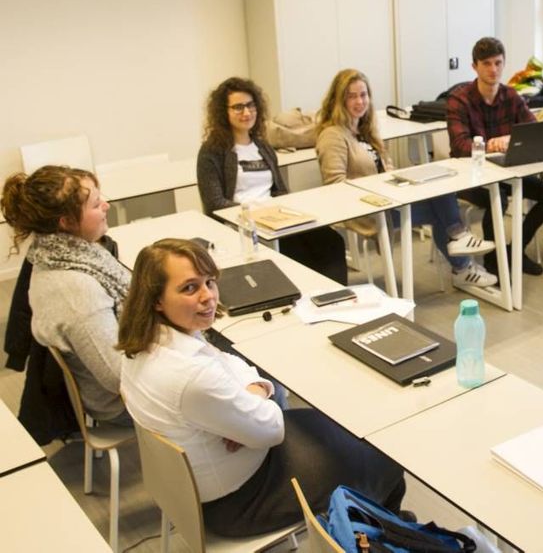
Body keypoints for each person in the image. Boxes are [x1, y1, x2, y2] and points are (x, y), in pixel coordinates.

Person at [116, 238, 406, 537]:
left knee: (342, 431)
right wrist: (253, 405)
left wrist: (253, 391)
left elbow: (227, 360)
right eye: (189, 288)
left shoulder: (142, 346)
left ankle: (380, 527)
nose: (208, 297)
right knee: (387, 460)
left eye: (210, 282)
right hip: (241, 501)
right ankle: (384, 536)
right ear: (156, 299)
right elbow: (271, 428)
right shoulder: (191, 376)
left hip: (201, 485)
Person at [316, 68, 498, 289]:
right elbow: (335, 187)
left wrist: (398, 183)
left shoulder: (365, 131)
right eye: (351, 96)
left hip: (388, 198)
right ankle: (461, 258)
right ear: (338, 100)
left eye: (363, 95)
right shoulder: (333, 135)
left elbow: (386, 170)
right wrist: (378, 191)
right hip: (365, 208)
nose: (359, 101)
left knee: (440, 190)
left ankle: (461, 258)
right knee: (441, 210)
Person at [1, 165, 131, 425]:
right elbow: (119, 377)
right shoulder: (76, 293)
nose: (106, 205)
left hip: (129, 373)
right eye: (95, 205)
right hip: (122, 404)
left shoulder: (58, 253)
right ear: (66, 222)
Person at [196, 77, 349, 285]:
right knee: (296, 253)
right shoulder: (212, 151)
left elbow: (279, 192)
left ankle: (334, 298)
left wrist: (283, 213)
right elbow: (214, 203)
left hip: (274, 220)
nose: (247, 112)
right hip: (241, 224)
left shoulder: (263, 147)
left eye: (250, 105)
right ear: (224, 112)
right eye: (238, 107)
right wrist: (254, 215)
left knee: (331, 241)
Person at [447, 37, 543, 277]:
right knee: (497, 197)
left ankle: (514, 251)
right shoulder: (459, 99)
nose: (493, 69)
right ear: (474, 67)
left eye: (498, 63)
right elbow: (459, 146)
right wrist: (488, 145)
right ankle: (493, 261)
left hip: (505, 171)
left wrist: (508, 140)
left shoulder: (511, 96)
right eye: (486, 64)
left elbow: (533, 130)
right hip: (469, 177)